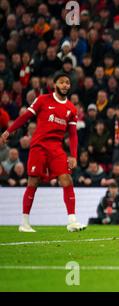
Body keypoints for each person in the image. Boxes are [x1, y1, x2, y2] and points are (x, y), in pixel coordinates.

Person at [0, 72, 86, 232]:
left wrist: (73, 155)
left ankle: (72, 221)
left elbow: (73, 134)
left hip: (56, 148)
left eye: (67, 82)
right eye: (62, 82)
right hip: (39, 146)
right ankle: (25, 223)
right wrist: (8, 131)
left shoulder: (71, 108)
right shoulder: (43, 100)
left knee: (67, 179)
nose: (65, 85)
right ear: (55, 84)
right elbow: (25, 116)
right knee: (34, 181)